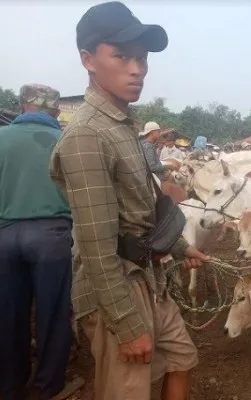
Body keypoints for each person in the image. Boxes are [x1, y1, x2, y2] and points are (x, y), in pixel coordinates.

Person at [49, 2, 209, 399]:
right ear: (88, 59)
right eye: (121, 55)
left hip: (147, 276)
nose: (136, 67)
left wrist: (181, 245)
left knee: (181, 359)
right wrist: (125, 324)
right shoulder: (88, 136)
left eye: (141, 57)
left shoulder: (123, 127)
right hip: (116, 286)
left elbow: (144, 208)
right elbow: (96, 246)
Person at [0, 84, 84, 399]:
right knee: (53, 314)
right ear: (54, 110)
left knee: (8, 314)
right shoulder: (67, 141)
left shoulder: (1, 138)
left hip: (5, 237)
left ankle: (10, 385)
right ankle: (47, 386)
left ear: (22, 105)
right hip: (51, 238)